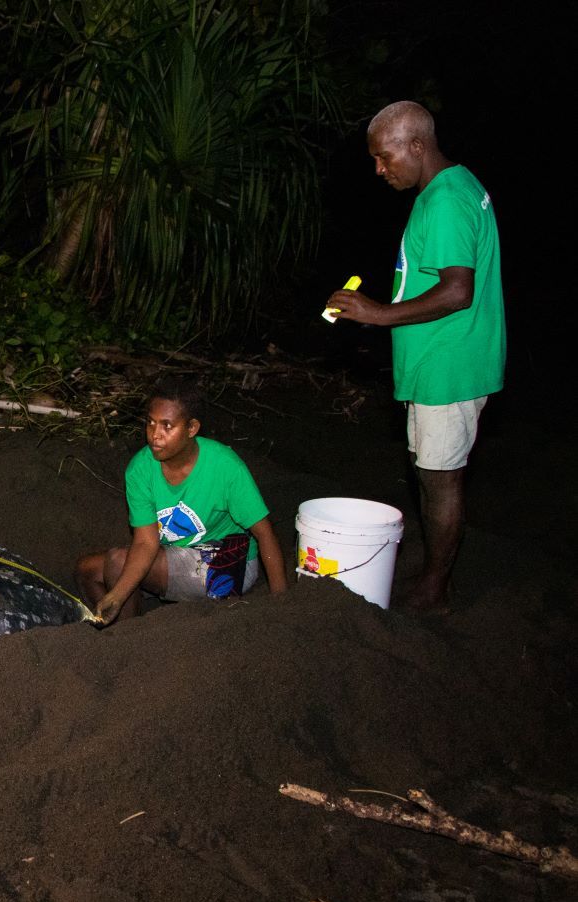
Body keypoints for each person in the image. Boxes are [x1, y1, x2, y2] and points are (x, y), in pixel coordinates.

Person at [325, 101, 504, 610]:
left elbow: (456, 292)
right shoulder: (453, 187)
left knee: (440, 480)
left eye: (384, 157)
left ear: (417, 146)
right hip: (443, 363)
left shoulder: (446, 200)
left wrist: (377, 313)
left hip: (449, 368)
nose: (379, 170)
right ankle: (433, 572)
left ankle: (434, 588)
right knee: (429, 471)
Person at [75, 379, 288, 623]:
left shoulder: (225, 467)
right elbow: (145, 542)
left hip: (225, 560)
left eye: (167, 426)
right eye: (151, 422)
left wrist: (280, 603)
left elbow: (265, 534)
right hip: (172, 551)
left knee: (117, 562)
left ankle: (130, 637)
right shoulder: (140, 469)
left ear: (191, 428)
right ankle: (122, 619)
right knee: (87, 569)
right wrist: (116, 596)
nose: (155, 434)